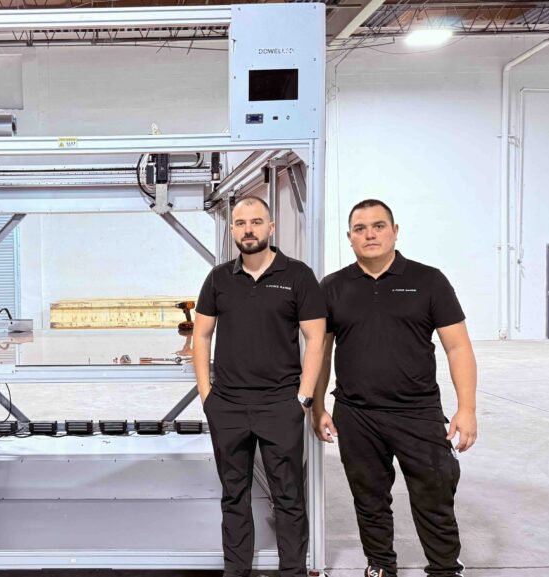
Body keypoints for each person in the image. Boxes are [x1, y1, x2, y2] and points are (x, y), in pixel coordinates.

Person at [314, 199, 478, 577]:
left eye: (378, 226)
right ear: (350, 237)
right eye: (360, 229)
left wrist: (467, 408)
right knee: (369, 497)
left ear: (395, 231)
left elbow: (458, 347)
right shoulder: (333, 286)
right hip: (356, 413)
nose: (369, 234)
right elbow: (321, 352)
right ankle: (380, 566)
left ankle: (444, 569)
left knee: (434, 492)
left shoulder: (429, 280)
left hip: (417, 412)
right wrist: (318, 405)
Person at [193, 196, 327, 577]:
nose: (248, 230)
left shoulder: (298, 276)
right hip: (228, 406)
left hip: (280, 405)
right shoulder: (218, 279)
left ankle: (292, 572)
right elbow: (201, 336)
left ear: (271, 227)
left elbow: (316, 338)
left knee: (288, 496)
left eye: (255, 222)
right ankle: (236, 571)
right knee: (234, 495)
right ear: (233, 230)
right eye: (240, 223)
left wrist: (303, 399)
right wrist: (207, 396)